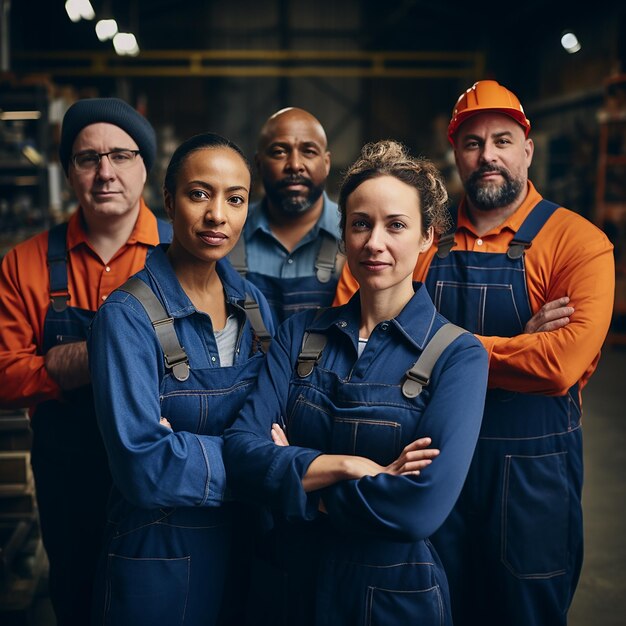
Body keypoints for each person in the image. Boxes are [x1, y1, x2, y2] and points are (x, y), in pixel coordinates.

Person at [333, 80, 616, 626]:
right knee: (430, 602)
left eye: (503, 140)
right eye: (472, 142)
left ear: (527, 150)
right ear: (454, 154)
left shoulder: (577, 243)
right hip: (427, 459)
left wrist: (426, 345)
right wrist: (520, 344)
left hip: (533, 474)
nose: (488, 155)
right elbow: (358, 327)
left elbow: (560, 365)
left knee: (527, 609)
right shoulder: (417, 237)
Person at [224, 140, 489, 626]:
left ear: (428, 236)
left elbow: (419, 508)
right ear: (342, 233)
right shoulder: (299, 334)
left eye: (396, 225)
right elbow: (241, 455)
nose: (374, 243)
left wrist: (297, 483)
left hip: (390, 597)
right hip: (287, 591)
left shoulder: (458, 356)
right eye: (361, 224)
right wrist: (355, 467)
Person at [87, 132, 275, 626]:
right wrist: (263, 463)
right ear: (169, 202)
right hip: (158, 557)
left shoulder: (255, 308)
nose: (218, 215)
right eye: (199, 194)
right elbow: (144, 466)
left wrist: (187, 448)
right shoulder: (125, 318)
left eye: (235, 199)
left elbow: (283, 421)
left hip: (246, 546)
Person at [0, 97, 171, 626]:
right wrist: (83, 359)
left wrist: (61, 358)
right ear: (68, 171)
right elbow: (5, 376)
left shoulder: (185, 252)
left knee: (160, 599)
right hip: (68, 474)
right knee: (75, 597)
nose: (105, 173)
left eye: (120, 156)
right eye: (87, 158)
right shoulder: (25, 262)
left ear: (144, 164)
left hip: (163, 471)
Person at [228, 106, 344, 324]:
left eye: (308, 151)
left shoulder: (354, 235)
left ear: (326, 163)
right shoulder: (227, 232)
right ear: (259, 165)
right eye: (279, 152)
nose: (295, 165)